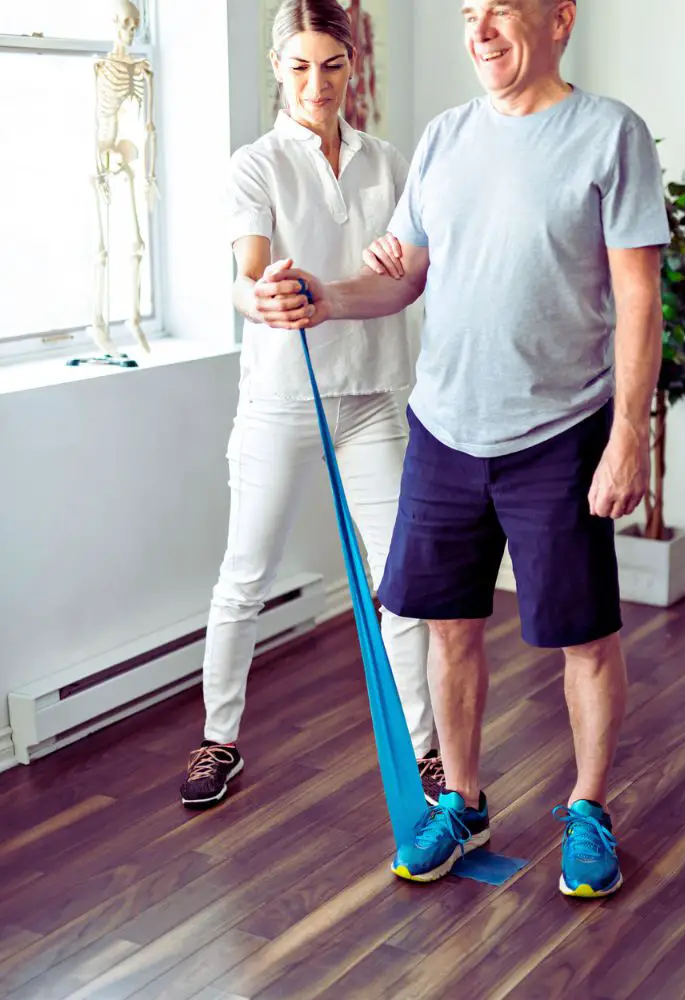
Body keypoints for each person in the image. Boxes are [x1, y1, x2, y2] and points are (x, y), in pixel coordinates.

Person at [258, 0, 669, 896]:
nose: (480, 31)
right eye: (468, 14)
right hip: (443, 429)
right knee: (449, 628)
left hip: (559, 433)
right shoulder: (444, 139)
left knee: (584, 638)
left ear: (558, 19)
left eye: (501, 12)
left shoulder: (609, 134)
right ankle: (467, 800)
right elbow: (400, 273)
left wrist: (628, 433)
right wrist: (325, 296)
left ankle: (590, 809)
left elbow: (639, 297)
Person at [179, 0, 445, 811]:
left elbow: (410, 271)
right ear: (276, 66)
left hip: (373, 398)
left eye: (331, 64)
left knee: (399, 581)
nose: (316, 83)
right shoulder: (254, 164)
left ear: (351, 64)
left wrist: (392, 260)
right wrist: (258, 296)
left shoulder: (388, 162)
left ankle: (428, 751)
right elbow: (248, 270)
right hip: (283, 401)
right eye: (299, 65)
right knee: (243, 579)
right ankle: (218, 742)